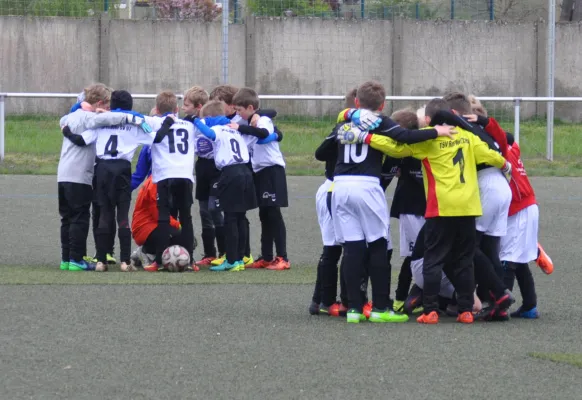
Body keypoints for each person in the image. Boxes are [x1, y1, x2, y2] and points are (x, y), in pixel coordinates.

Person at [338, 97, 513, 324]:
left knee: (433, 259)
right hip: (469, 207)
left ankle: (430, 309)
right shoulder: (468, 137)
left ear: (430, 120)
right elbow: (491, 154)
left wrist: (367, 137)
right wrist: (505, 165)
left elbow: (397, 148)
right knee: (464, 260)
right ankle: (466, 310)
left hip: (441, 207)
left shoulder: (429, 140)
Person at [332, 81, 454, 324]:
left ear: (357, 102)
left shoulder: (345, 121)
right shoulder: (379, 121)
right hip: (367, 185)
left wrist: (348, 114)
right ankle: (380, 307)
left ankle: (354, 308)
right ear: (383, 104)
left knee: (353, 247)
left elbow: (328, 142)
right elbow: (405, 136)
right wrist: (435, 132)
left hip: (340, 185)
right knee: (378, 245)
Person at [62, 90, 156, 272]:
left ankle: (101, 261)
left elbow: (80, 140)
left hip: (102, 168)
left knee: (104, 214)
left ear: (111, 105)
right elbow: (154, 137)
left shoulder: (101, 123)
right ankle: (124, 261)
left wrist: (66, 131)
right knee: (122, 216)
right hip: (122, 169)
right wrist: (165, 125)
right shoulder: (135, 124)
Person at [192, 100, 259, 271]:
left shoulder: (217, 129)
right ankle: (241, 257)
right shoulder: (234, 128)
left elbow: (208, 133)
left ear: (210, 117)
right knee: (240, 217)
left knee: (230, 218)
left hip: (231, 173)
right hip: (245, 171)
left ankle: (232, 260)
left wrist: (196, 121)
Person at [230, 88, 291, 271]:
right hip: (259, 171)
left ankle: (283, 257)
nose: (238, 114)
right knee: (264, 214)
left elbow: (264, 134)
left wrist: (242, 127)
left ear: (250, 107)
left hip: (272, 170)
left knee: (273, 213)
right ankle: (266, 257)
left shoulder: (262, 120)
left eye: (240, 110)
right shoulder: (248, 118)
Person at [142, 91, 198, 272]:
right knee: (186, 217)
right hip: (185, 175)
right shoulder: (190, 124)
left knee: (164, 218)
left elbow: (134, 119)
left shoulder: (155, 121)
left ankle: (158, 261)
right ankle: (191, 260)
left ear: (157, 109)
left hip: (165, 175)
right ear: (176, 109)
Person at [130, 175, 182, 268]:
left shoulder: (160, 179)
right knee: (178, 236)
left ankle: (152, 254)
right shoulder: (155, 183)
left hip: (150, 225)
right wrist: (177, 225)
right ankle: (144, 251)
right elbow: (157, 213)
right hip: (145, 227)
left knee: (180, 237)